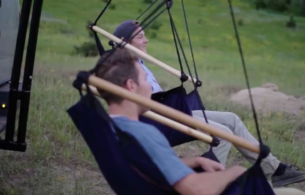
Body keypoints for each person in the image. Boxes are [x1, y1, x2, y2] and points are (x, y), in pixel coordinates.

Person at [110, 19, 305, 187]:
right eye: (140, 37)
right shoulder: (125, 69)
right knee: (224, 134)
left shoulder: (140, 62)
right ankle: (202, 183)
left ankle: (274, 170)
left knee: (232, 119)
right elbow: (133, 107)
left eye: (145, 35)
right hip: (161, 119)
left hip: (170, 112)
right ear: (126, 43)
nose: (146, 40)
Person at [94, 48, 248, 195]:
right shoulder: (143, 134)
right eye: (145, 79)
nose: (149, 86)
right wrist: (235, 172)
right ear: (131, 85)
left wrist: (195, 160)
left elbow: (151, 167)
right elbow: (197, 190)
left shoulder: (108, 131)